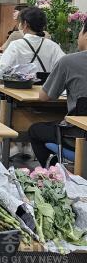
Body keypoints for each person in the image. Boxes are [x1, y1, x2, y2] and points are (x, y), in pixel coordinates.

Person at [29, 22, 87, 166]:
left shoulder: (69, 61)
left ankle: (51, 174)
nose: (78, 36)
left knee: (35, 130)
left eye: (80, 32)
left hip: (77, 136)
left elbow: (44, 96)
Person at [0, 7, 64, 78]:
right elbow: (63, 68)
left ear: (25, 24)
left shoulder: (16, 45)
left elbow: (1, 71)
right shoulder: (53, 46)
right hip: (46, 88)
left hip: (19, 87)